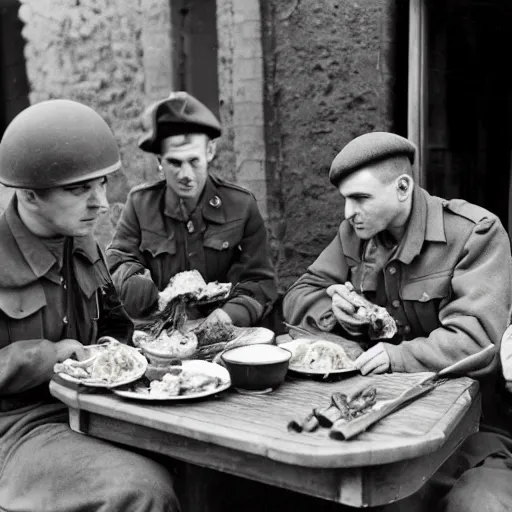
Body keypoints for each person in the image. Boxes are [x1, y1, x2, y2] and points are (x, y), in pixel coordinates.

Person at [0, 99, 179, 512]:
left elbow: (115, 327)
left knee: (203, 459)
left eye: (101, 183)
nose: (99, 201)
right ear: (29, 196)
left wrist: (139, 354)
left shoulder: (80, 241)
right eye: (80, 190)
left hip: (89, 408)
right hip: (16, 428)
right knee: (141, 490)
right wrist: (48, 357)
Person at [283, 131, 511, 378]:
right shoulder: (353, 235)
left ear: (403, 187)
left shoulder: (474, 233)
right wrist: (338, 315)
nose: (348, 212)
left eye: (361, 198)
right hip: (377, 388)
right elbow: (299, 294)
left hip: (461, 395)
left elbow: (480, 342)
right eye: (346, 199)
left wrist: (399, 356)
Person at [106, 91, 277, 327]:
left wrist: (229, 315)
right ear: (159, 161)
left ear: (210, 152)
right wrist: (147, 293)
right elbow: (117, 265)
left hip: (224, 331)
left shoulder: (241, 206)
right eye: (174, 163)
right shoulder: (140, 205)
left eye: (194, 161)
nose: (185, 175)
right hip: (161, 333)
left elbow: (260, 281)